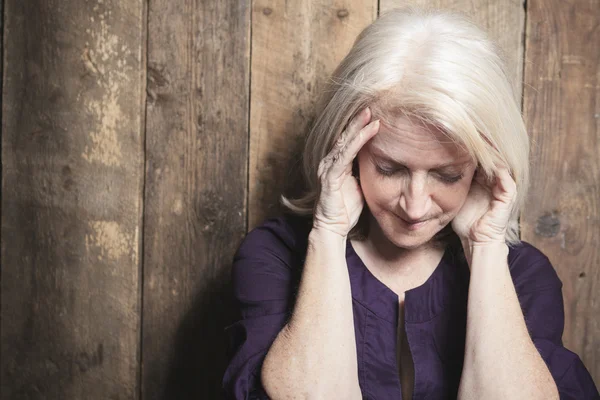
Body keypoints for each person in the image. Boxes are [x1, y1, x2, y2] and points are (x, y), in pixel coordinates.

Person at [222, 6, 600, 400]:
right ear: (348, 151)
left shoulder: (523, 275)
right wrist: (329, 232)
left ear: (483, 171)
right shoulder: (275, 256)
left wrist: (485, 248)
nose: (415, 207)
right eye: (389, 168)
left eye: (447, 175)